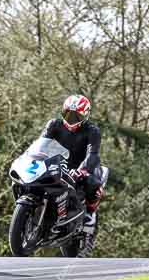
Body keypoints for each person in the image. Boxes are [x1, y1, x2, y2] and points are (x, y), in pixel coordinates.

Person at [40, 94, 104, 238]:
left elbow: (93, 154)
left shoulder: (92, 131)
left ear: (85, 116)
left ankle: (90, 214)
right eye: (68, 114)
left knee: (92, 184)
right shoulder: (54, 124)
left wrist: (82, 170)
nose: (71, 119)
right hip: (59, 163)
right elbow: (40, 145)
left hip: (83, 166)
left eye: (76, 117)